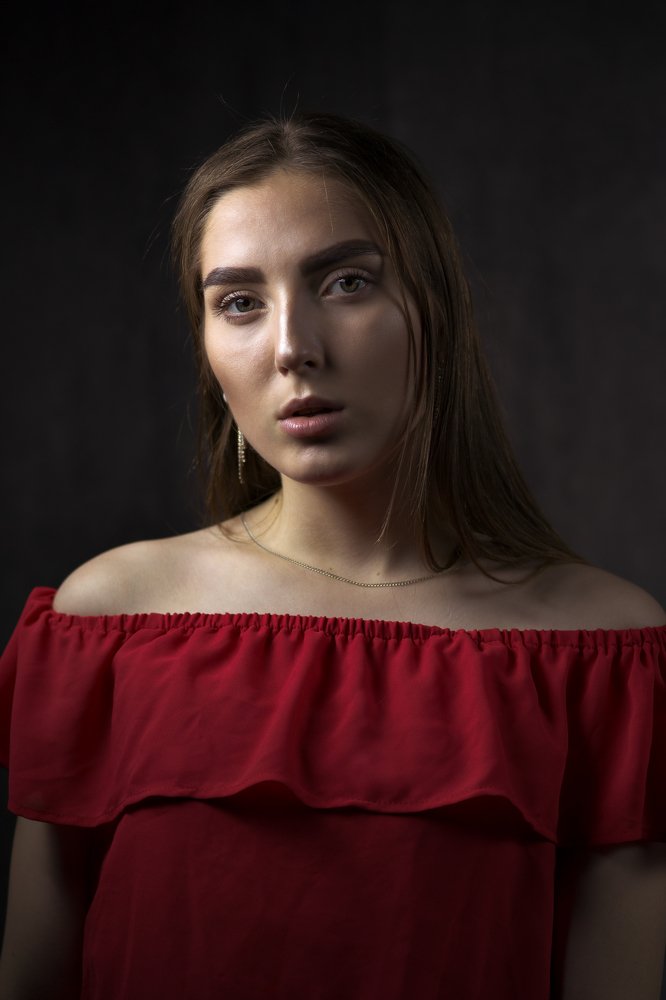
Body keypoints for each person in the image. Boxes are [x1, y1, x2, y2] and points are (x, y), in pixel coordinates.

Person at [0, 113, 664, 1000]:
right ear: (205, 348)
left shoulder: (601, 654)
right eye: (239, 302)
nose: (292, 348)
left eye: (346, 282)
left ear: (435, 306)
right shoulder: (110, 621)